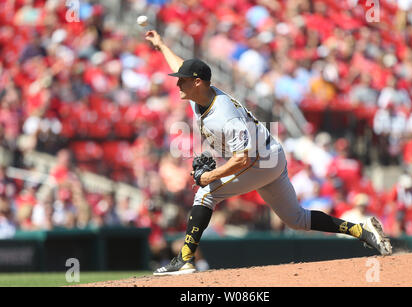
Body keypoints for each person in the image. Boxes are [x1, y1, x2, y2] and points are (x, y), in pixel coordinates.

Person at [144, 30, 392, 276]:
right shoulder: (200, 95)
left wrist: (211, 177)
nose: (177, 82)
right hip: (270, 155)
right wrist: (162, 44)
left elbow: (244, 159)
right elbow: (182, 65)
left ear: (197, 82)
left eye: (182, 80)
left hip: (259, 161)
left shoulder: (223, 114)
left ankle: (185, 259)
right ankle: (362, 230)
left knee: (205, 194)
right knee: (297, 219)